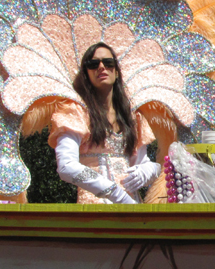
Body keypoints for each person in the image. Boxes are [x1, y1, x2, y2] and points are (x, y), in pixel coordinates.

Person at [50, 42, 160, 204]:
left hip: (132, 207)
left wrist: (146, 171)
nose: (101, 67)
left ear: (116, 72)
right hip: (96, 208)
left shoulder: (132, 117)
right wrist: (114, 192)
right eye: (93, 64)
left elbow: (143, 163)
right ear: (86, 74)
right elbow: (66, 166)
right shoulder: (75, 112)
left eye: (108, 63)